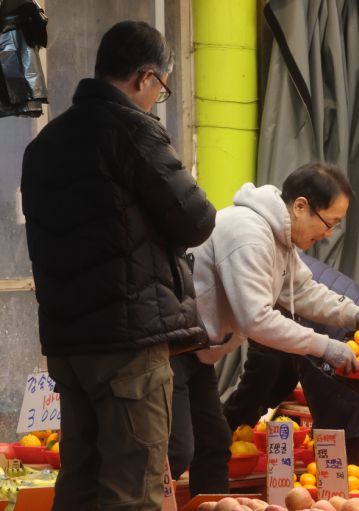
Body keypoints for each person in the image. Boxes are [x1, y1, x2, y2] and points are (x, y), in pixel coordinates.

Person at [20, 20, 216, 511]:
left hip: (69, 345)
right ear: (145, 78)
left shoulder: (45, 144)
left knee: (80, 481)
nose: (158, 99)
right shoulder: (133, 132)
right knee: (136, 488)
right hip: (126, 344)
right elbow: (197, 220)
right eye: (162, 88)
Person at [168, 162, 359, 494]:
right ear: (300, 207)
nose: (328, 234)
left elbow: (303, 290)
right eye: (329, 223)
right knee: (175, 450)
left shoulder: (279, 237)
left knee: (213, 444)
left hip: (199, 351)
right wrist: (325, 346)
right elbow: (255, 319)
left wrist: (355, 315)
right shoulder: (249, 234)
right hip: (173, 348)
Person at [222, 250, 359, 463]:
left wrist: (229, 422)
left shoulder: (256, 278)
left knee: (341, 437)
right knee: (344, 437)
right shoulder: (270, 257)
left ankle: (338, 485)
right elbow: (278, 368)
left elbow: (265, 369)